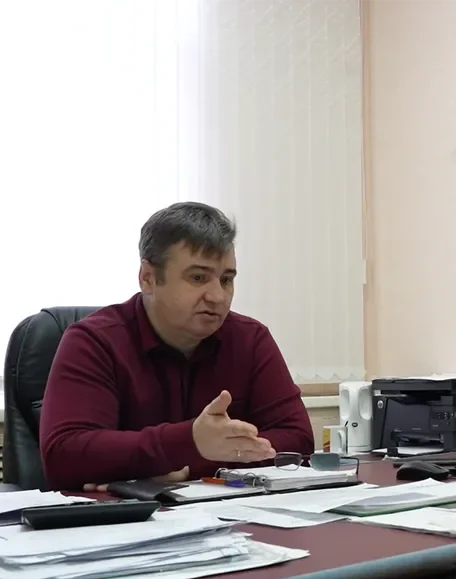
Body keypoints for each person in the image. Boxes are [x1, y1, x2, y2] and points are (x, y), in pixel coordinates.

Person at [40, 202, 314, 491]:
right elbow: (63, 456)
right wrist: (188, 442)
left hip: (228, 512)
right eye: (198, 278)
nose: (217, 296)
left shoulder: (250, 339)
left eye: (226, 279)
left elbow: (298, 442)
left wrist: (189, 463)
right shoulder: (94, 341)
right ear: (148, 278)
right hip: (126, 515)